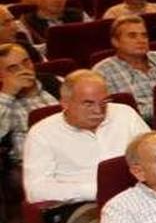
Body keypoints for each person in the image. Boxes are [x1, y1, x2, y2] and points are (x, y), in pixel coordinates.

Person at [22, 70, 148, 202]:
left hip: (141, 192)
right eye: (88, 104)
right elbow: (36, 190)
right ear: (65, 103)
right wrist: (98, 190)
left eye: (104, 102)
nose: (98, 111)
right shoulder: (42, 133)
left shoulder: (124, 113)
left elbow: (153, 153)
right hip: (84, 204)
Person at [93, 16, 156, 121]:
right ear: (115, 42)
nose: (141, 40)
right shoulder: (103, 72)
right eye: (132, 36)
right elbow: (116, 113)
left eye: (144, 36)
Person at [0, 43, 60, 161]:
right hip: (31, 165)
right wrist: (8, 93)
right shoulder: (3, 101)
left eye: (26, 62)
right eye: (13, 68)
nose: (24, 70)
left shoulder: (53, 82)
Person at [20, 0, 89, 44]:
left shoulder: (79, 14)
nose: (59, 0)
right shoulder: (26, 21)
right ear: (38, 0)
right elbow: (30, 48)